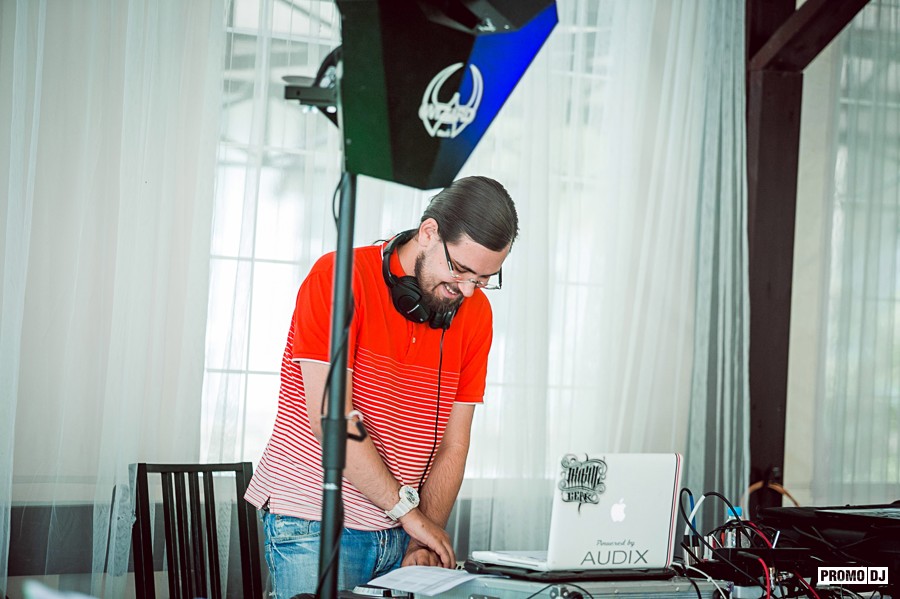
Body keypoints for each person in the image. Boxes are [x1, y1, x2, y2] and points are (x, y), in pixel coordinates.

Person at [244, 175, 519, 596]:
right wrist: (411, 515)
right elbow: (334, 419)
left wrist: (422, 535)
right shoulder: (338, 278)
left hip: (404, 533)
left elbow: (454, 443)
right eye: (460, 269)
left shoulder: (476, 314)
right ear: (429, 232)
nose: (467, 291)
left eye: (482, 279)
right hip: (316, 519)